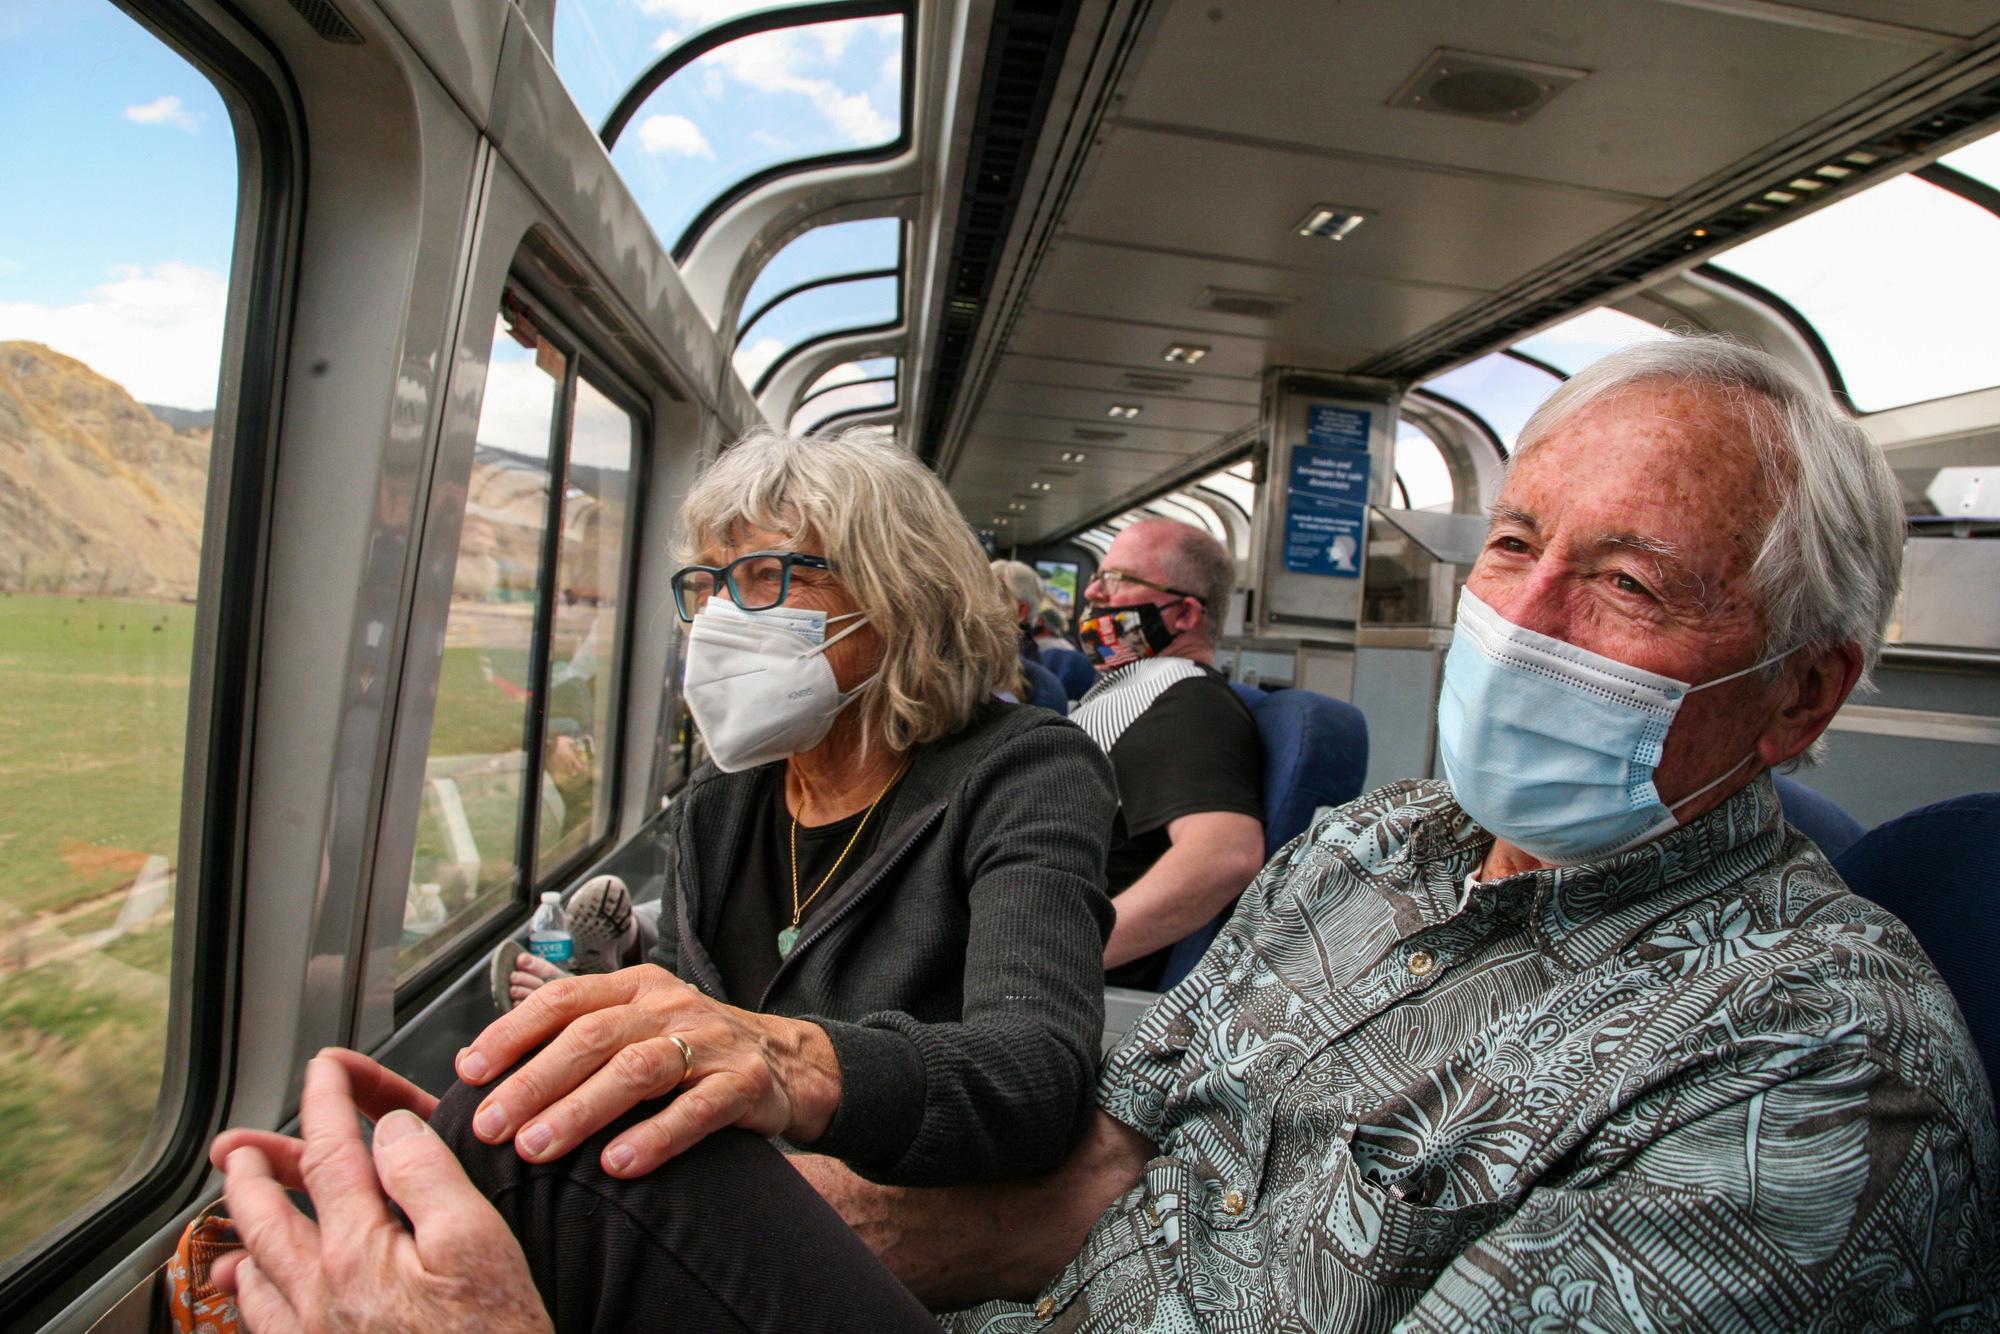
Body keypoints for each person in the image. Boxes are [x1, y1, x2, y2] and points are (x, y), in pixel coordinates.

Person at [210, 338, 1999, 1331]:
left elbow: (1036, 1048)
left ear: (1805, 691)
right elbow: (1112, 1163)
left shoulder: (1819, 1070)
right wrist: (741, 1213)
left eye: (1624, 581)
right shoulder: (1376, 853)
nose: (1524, 622)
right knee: (558, 1126)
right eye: (1512, 547)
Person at [475, 425, 1119, 1192]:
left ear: (897, 591)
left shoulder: (1022, 771)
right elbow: (688, 1018)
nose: (718, 617)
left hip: (890, 1219)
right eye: (709, 584)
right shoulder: (719, 801)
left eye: (766, 575)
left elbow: (1033, 1078)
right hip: (711, 1191)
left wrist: (787, 1066)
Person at [1071, 519, 1266, 987]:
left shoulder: (1185, 700)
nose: (1094, 592)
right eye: (1098, 576)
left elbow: (1225, 854)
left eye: (1117, 579)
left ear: (1182, 615)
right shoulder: (1134, 685)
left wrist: (1059, 959)